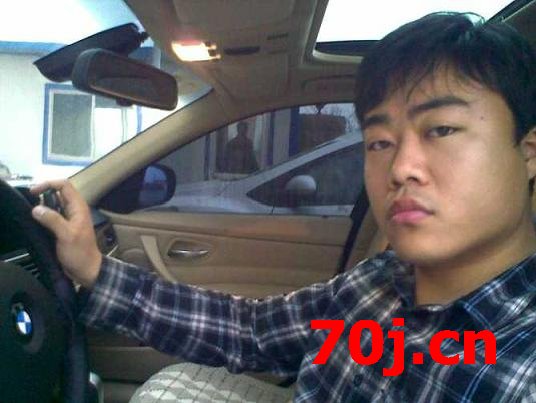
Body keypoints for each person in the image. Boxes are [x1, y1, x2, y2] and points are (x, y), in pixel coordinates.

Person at [30, 12, 536, 402]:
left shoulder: (519, 365)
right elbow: (251, 331)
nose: (402, 167)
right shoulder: (380, 282)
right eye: (380, 142)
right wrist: (95, 269)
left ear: (528, 151)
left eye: (441, 130)